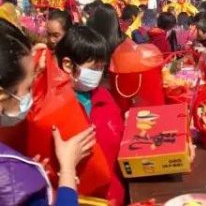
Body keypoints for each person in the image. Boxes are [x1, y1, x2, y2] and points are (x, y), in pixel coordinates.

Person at [0, 18, 95, 206]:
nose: (30, 96)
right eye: (28, 87)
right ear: (2, 95)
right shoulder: (9, 174)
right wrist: (68, 169)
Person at [55, 26, 126, 205]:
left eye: (101, 68)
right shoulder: (55, 106)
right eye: (94, 68)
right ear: (68, 65)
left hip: (114, 196)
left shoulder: (104, 96)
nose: (98, 74)